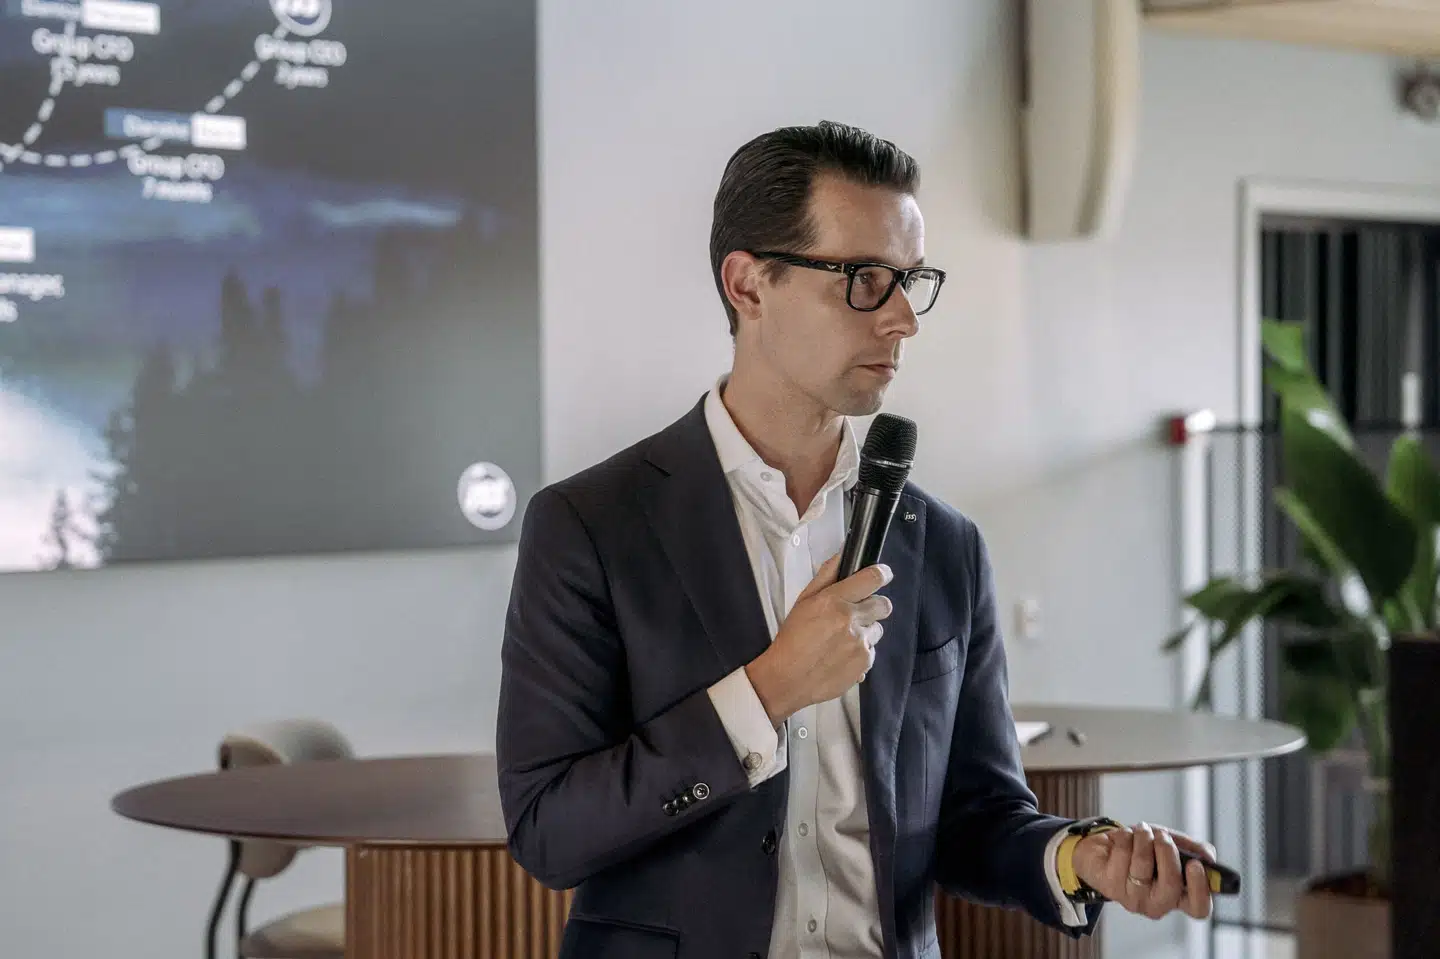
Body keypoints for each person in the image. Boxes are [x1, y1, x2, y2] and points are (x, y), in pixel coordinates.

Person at [496, 120, 1218, 959]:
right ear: (748, 284)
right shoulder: (591, 526)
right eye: (866, 279)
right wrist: (764, 692)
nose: (903, 318)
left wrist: (1075, 856)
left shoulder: (944, 543)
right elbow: (549, 831)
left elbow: (975, 814)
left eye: (911, 281)